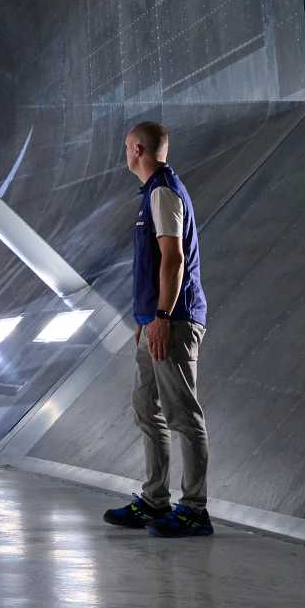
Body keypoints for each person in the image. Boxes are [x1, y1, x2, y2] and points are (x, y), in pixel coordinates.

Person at [102, 120, 211, 538]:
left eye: (126, 147)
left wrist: (163, 316)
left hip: (175, 321)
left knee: (184, 414)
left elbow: (173, 258)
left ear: (137, 150)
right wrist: (147, 319)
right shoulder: (153, 193)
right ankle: (154, 499)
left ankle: (194, 510)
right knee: (146, 407)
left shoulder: (163, 193)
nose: (124, 153)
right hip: (156, 322)